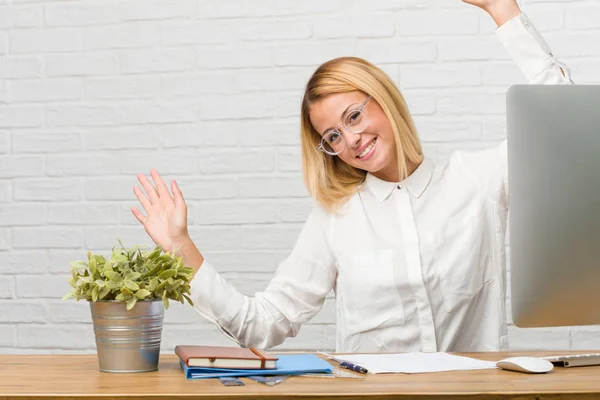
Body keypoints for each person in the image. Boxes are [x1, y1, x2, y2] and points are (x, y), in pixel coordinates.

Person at [131, 0, 574, 353]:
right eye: (333, 135)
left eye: (355, 114)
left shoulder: (477, 180)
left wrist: (502, 10)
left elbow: (567, 130)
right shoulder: (335, 219)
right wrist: (180, 247)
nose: (353, 139)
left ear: (384, 99)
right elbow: (263, 324)